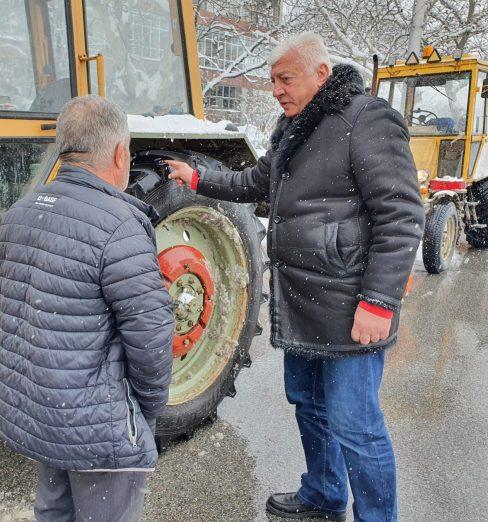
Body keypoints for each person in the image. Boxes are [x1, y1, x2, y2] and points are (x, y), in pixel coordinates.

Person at [167, 33, 424, 521]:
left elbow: (401, 214)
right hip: (303, 299)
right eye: (272, 81)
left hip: (351, 304)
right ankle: (324, 496)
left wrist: (379, 302)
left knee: (356, 424)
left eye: (285, 79)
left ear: (321, 73)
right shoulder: (293, 127)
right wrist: (198, 179)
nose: (276, 90)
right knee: (308, 405)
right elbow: (254, 182)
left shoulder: (366, 119)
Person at [0, 95, 174, 522]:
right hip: (97, 423)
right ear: (119, 153)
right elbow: (150, 336)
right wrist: (144, 410)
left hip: (44, 408)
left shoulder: (18, 215)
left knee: (54, 512)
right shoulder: (119, 225)